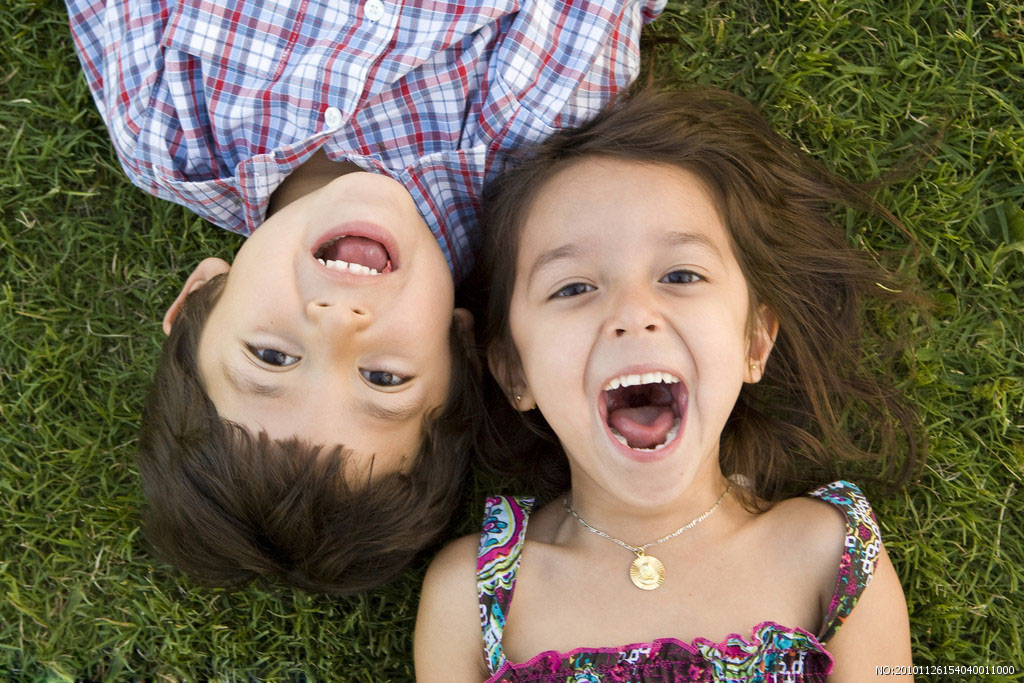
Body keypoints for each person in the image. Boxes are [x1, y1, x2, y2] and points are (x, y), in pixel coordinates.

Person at [66, 0, 665, 593]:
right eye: (382, 378)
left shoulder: (167, 130)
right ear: (459, 343)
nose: (339, 322)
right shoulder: (536, 129)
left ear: (202, 295)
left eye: (271, 357)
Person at [414, 86, 925, 679]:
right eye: (573, 287)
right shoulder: (474, 595)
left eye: (681, 274)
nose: (634, 312)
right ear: (515, 372)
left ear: (754, 343)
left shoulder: (829, 555)